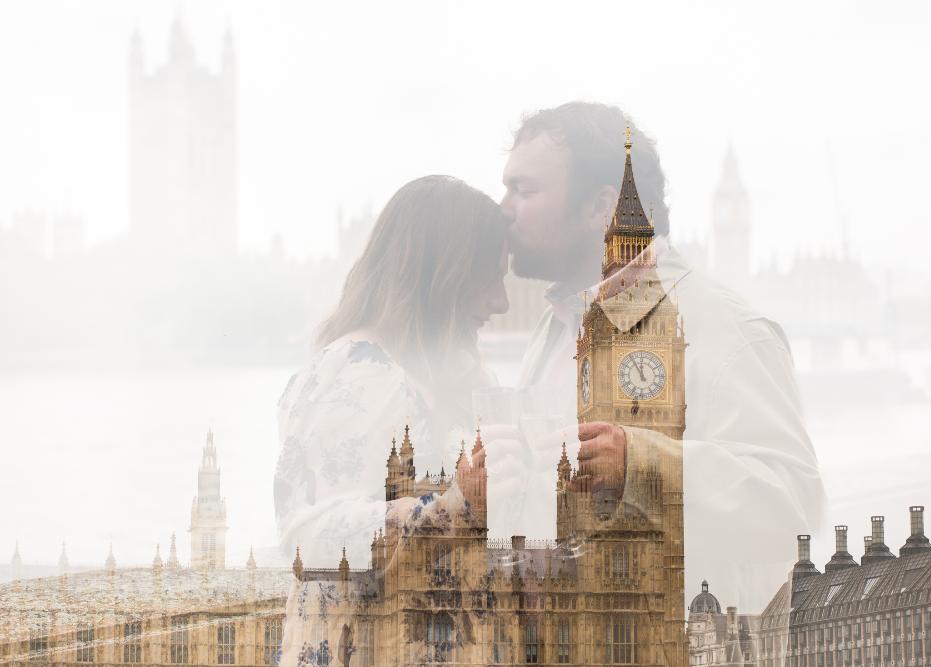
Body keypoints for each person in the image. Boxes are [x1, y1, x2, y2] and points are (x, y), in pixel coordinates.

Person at [493, 101, 827, 612]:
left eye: (525, 190)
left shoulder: (728, 331)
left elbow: (794, 506)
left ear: (601, 208)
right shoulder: (557, 324)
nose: (504, 208)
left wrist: (639, 463)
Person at [273, 174, 510, 567]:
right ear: (442, 275)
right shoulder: (359, 374)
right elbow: (312, 543)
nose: (502, 302)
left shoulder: (457, 373)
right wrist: (453, 510)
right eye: (489, 278)